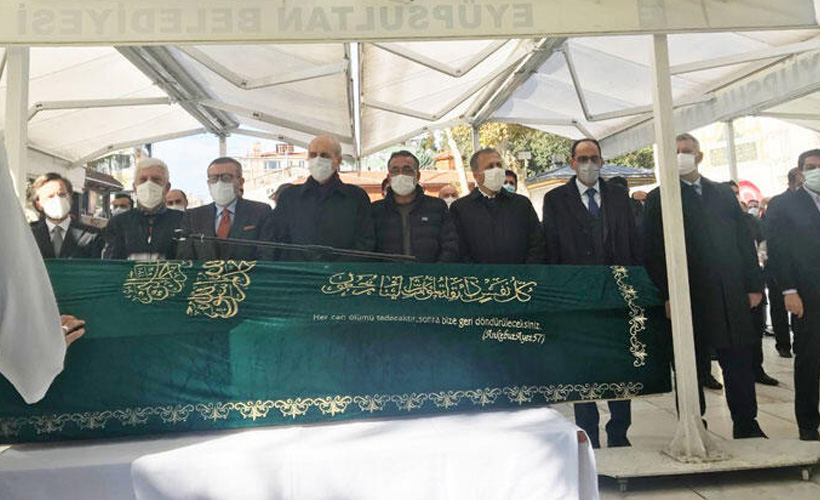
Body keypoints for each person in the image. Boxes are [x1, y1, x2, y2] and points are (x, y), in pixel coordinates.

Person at [643, 132, 766, 439]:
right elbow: (652, 250)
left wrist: (754, 285)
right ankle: (694, 425)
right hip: (688, 294)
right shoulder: (661, 197)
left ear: (699, 156)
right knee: (690, 364)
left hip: (729, 292)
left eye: (687, 151)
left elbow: (744, 240)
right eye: (676, 151)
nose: (681, 156)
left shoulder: (721, 193)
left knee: (738, 360)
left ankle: (746, 424)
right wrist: (666, 294)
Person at [542, 139, 639, 448]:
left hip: (615, 295)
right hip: (576, 298)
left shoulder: (618, 196)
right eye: (582, 158)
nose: (588, 164)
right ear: (572, 162)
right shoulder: (555, 199)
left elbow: (632, 241)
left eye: (593, 158)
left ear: (602, 161)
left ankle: (619, 432)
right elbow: (551, 248)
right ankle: (588, 434)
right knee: (582, 367)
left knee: (618, 365)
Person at [767, 149, 820, 441]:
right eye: (811, 167)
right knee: (809, 358)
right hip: (807, 295)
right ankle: (808, 424)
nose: (816, 172)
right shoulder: (784, 204)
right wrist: (789, 290)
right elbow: (778, 251)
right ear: (800, 171)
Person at [272, 135, 375, 261]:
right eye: (313, 155)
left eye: (324, 155)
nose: (317, 160)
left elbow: (365, 242)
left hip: (343, 272)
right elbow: (278, 240)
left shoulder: (356, 197)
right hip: (298, 271)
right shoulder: (289, 196)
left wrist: (335, 268)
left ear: (338, 161)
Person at [450, 148, 544, 264]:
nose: (496, 170)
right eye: (490, 167)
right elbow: (459, 249)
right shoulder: (460, 209)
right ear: (476, 176)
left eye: (499, 165)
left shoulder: (521, 204)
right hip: (477, 274)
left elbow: (537, 243)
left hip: (521, 274)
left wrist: (526, 271)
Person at [176, 157, 273, 261]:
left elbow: (266, 254)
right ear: (208, 183)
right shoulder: (193, 216)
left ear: (241, 182)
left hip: (247, 271)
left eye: (226, 177)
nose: (219, 183)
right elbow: (185, 257)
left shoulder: (260, 212)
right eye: (214, 178)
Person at [371, 150, 459, 263]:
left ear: (418, 176)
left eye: (407, 170)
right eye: (395, 170)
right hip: (388, 273)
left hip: (430, 273)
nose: (401, 175)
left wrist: (436, 270)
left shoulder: (437, 207)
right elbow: (369, 248)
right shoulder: (375, 211)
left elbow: (450, 245)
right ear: (389, 177)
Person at [103, 158, 183, 260]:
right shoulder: (118, 223)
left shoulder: (183, 221)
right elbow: (110, 264)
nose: (149, 184)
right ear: (134, 188)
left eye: (156, 180)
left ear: (167, 188)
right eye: (143, 180)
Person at [764, 167, 805, 358]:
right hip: (778, 266)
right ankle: (783, 344)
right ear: (791, 182)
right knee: (779, 306)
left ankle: (799, 343)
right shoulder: (779, 203)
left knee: (801, 309)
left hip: (803, 269)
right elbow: (773, 239)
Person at [29, 173, 103, 259]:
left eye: (62, 195)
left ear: (70, 198)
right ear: (38, 204)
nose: (57, 200)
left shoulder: (92, 235)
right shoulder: (28, 234)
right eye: (50, 196)